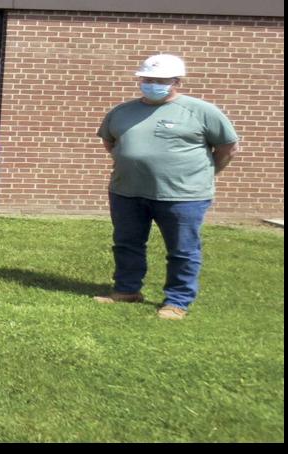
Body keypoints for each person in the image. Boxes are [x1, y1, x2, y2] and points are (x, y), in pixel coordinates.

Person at [94, 54, 240, 319]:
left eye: (160, 80)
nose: (152, 84)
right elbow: (110, 142)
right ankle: (127, 290)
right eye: (147, 79)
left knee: (183, 250)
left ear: (177, 81)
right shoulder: (122, 111)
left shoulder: (202, 111)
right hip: (127, 191)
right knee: (127, 243)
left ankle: (177, 301)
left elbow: (227, 148)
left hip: (183, 196)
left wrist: (205, 174)